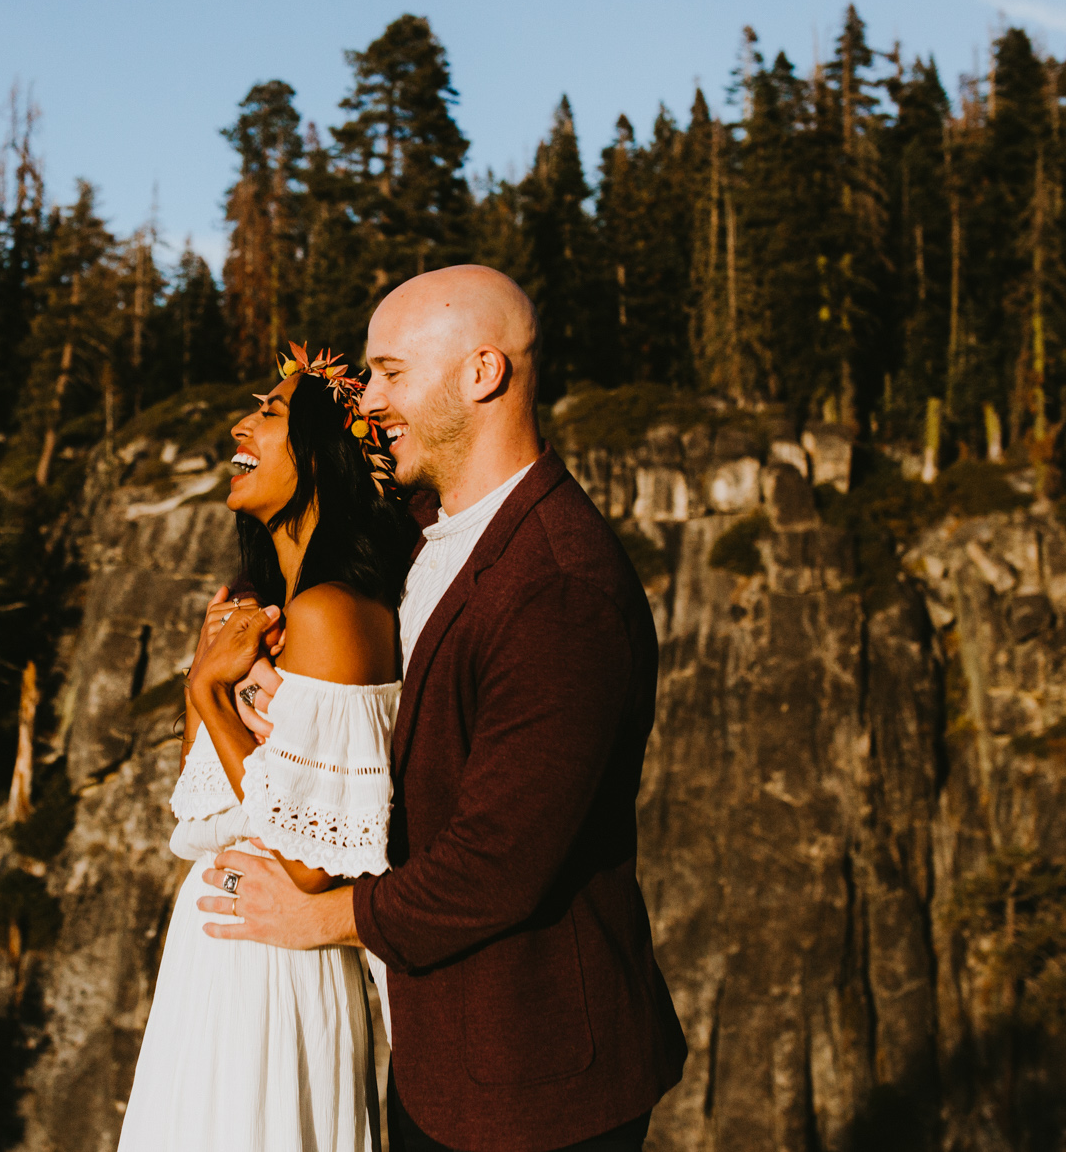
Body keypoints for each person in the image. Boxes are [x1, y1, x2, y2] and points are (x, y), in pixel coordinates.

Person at [196, 266, 688, 1152]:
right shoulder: (430, 535)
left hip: (533, 1082)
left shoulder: (559, 585)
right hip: (439, 1050)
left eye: (389, 372)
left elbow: (495, 864)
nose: (367, 400)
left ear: (482, 374)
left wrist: (318, 917)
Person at [116, 344, 414, 1152]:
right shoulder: (267, 608)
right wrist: (204, 675)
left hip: (279, 960)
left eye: (271, 413)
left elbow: (314, 859)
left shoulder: (334, 613)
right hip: (214, 955)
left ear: (321, 455)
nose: (241, 425)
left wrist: (211, 693)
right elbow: (203, 805)